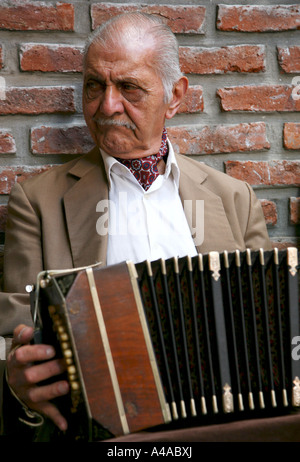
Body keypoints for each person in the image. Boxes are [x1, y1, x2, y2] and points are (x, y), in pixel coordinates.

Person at [0, 12, 272, 441]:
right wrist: (16, 385)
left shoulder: (235, 198)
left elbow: (270, 326)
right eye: (94, 85)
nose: (107, 105)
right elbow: (13, 335)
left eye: (128, 87)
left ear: (175, 95)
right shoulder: (36, 202)